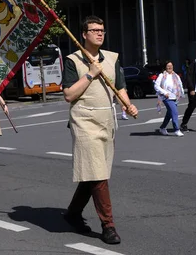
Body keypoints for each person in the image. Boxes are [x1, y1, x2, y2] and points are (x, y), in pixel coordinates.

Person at [62, 15, 138, 245]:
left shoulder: (112, 58)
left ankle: (73, 213)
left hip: (107, 122)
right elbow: (69, 94)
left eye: (102, 30)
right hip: (84, 122)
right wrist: (90, 74)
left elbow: (120, 87)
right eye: (94, 30)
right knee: (99, 174)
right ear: (83, 34)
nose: (99, 34)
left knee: (94, 174)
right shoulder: (73, 60)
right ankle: (108, 226)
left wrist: (128, 103)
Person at [154, 61, 185, 137]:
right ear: (165, 67)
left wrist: (181, 93)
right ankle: (177, 130)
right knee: (174, 112)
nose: (170, 67)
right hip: (166, 97)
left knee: (169, 114)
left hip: (175, 97)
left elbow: (180, 84)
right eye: (168, 66)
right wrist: (164, 92)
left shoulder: (176, 75)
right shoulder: (162, 75)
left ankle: (162, 128)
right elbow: (156, 86)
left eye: (171, 65)